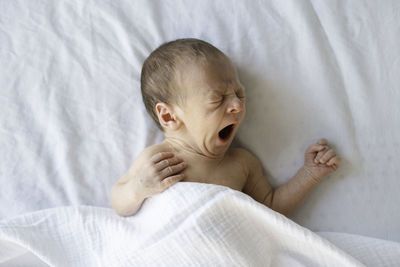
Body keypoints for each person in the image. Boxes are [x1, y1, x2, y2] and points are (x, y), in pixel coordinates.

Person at [110, 38, 341, 217]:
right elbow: (119, 202)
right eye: (217, 99)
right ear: (169, 116)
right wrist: (138, 188)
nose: (237, 105)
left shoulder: (242, 164)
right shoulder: (159, 160)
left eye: (240, 94)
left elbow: (272, 210)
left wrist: (309, 174)